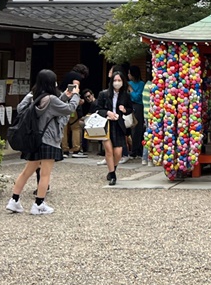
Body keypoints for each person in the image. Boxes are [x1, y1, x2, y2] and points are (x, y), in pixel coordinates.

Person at [7, 69, 80, 215]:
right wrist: (76, 95)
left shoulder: (35, 97)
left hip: (35, 139)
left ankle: (14, 200)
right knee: (45, 174)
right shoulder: (51, 99)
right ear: (52, 83)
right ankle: (39, 204)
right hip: (48, 140)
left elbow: (48, 106)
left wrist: (65, 95)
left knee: (26, 172)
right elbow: (68, 109)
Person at [95, 70, 131, 185]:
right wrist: (107, 113)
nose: (117, 82)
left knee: (118, 152)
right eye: (115, 80)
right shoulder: (104, 94)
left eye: (119, 80)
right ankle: (113, 175)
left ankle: (112, 170)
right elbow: (98, 109)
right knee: (109, 151)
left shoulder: (125, 95)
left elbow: (130, 109)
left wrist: (124, 110)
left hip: (119, 124)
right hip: (106, 124)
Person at [62, 90, 96, 157]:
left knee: (64, 129)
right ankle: (76, 149)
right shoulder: (75, 91)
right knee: (76, 129)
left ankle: (64, 150)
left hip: (64, 108)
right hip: (73, 109)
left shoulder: (63, 91)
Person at [127, 65, 146, 160]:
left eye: (129, 73)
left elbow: (137, 97)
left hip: (138, 106)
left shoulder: (141, 84)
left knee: (137, 129)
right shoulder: (127, 83)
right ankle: (133, 149)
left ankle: (136, 150)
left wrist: (130, 90)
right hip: (129, 106)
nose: (128, 75)